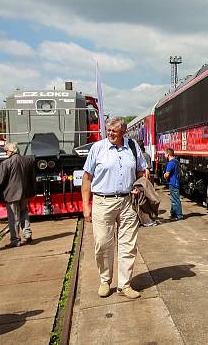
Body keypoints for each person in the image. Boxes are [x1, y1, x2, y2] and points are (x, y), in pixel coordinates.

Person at [82, 117, 147, 299]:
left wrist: (139, 184)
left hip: (128, 202)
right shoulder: (97, 148)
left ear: (123, 133)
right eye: (108, 130)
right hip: (103, 202)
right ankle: (105, 280)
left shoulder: (132, 147)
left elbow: (143, 171)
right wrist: (86, 206)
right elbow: (87, 178)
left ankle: (124, 285)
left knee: (128, 245)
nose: (110, 133)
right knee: (103, 243)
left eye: (114, 131)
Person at [0, 142, 36, 247]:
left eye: (6, 151)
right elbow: (32, 178)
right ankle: (27, 234)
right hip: (25, 193)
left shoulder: (5, 163)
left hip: (11, 195)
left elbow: (0, 181)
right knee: (24, 212)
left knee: (14, 217)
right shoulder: (28, 160)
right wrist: (34, 192)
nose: (6, 153)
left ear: (11, 151)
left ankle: (15, 240)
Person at [163, 148, 182, 221]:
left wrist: (164, 175)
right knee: (174, 199)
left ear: (168, 154)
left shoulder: (170, 163)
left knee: (175, 200)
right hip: (176, 182)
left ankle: (179, 215)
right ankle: (173, 214)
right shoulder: (176, 161)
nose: (164, 155)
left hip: (173, 183)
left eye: (165, 154)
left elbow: (167, 174)